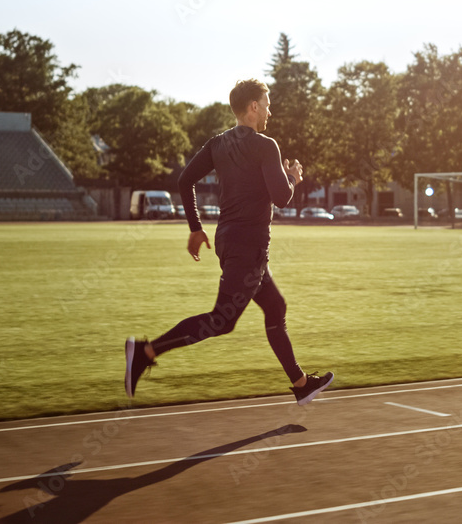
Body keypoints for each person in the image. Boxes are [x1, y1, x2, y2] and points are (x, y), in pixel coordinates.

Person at [124, 78, 334, 406]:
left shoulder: (217, 144)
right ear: (252, 108)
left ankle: (301, 383)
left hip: (231, 242)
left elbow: (184, 179)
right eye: (266, 104)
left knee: (275, 307)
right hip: (248, 248)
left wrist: (196, 228)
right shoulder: (267, 146)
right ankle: (145, 351)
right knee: (221, 320)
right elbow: (282, 198)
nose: (269, 110)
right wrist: (292, 176)